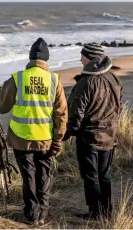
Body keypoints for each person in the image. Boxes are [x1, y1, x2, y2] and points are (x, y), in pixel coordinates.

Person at [0, 37, 68, 226]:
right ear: (46, 59)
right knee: (44, 175)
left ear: (31, 57)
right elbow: (62, 114)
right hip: (46, 138)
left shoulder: (18, 78)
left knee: (29, 176)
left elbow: (1, 107)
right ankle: (42, 214)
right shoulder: (54, 80)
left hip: (21, 138)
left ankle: (32, 215)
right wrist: (58, 140)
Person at [63, 43, 122, 219]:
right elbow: (118, 104)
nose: (80, 59)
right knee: (104, 175)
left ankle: (96, 212)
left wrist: (67, 133)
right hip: (110, 135)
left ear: (90, 58)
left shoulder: (86, 81)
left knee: (91, 175)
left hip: (89, 137)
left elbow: (76, 113)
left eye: (82, 56)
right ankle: (107, 210)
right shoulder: (114, 78)